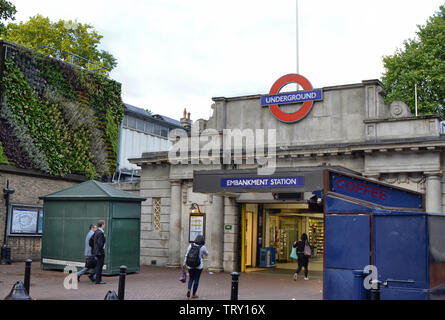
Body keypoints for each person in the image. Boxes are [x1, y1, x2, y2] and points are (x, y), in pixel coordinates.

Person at [183, 235, 208, 299]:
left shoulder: (191, 245)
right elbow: (207, 254)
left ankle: (189, 289)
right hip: (198, 266)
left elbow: (186, 255)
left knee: (191, 278)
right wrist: (202, 254)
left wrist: (184, 264)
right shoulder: (202, 247)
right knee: (196, 280)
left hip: (190, 265)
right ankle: (193, 294)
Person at [92, 220, 106, 285]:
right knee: (100, 266)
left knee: (98, 266)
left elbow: (91, 241)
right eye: (104, 224)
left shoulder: (96, 232)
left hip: (96, 252)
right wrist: (101, 251)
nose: (104, 225)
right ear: (102, 225)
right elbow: (100, 244)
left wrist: (95, 248)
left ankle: (98, 280)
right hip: (100, 252)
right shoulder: (100, 233)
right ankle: (98, 280)